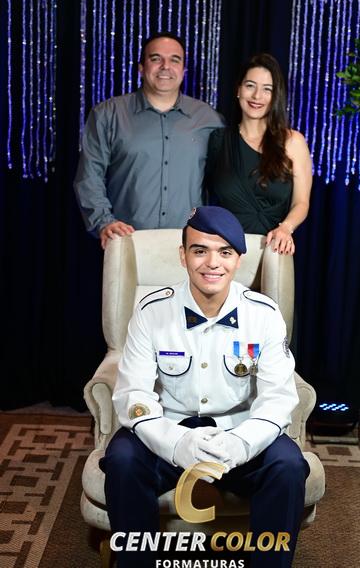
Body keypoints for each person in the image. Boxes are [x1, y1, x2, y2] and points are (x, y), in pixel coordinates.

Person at [100, 205, 310, 567]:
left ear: (238, 259)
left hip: (238, 433)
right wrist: (175, 442)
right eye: (200, 250)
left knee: (288, 465)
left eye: (225, 252)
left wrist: (241, 443)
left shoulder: (264, 315)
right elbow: (134, 396)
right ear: (183, 256)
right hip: (169, 431)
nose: (213, 263)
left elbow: (278, 398)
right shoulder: (151, 312)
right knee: (122, 458)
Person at [73, 32, 223, 249]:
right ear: (141, 68)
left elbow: (229, 178)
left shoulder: (209, 119)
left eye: (175, 60)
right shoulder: (108, 115)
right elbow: (89, 177)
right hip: (126, 243)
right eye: (155, 59)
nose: (165, 66)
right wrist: (104, 222)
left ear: (183, 70)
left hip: (190, 247)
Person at [206, 53, 312, 255]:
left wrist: (286, 228)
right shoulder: (218, 140)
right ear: (238, 89)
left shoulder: (293, 142)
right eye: (250, 86)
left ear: (275, 96)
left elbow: (301, 202)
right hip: (224, 253)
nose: (257, 96)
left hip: (274, 250)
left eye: (267, 89)